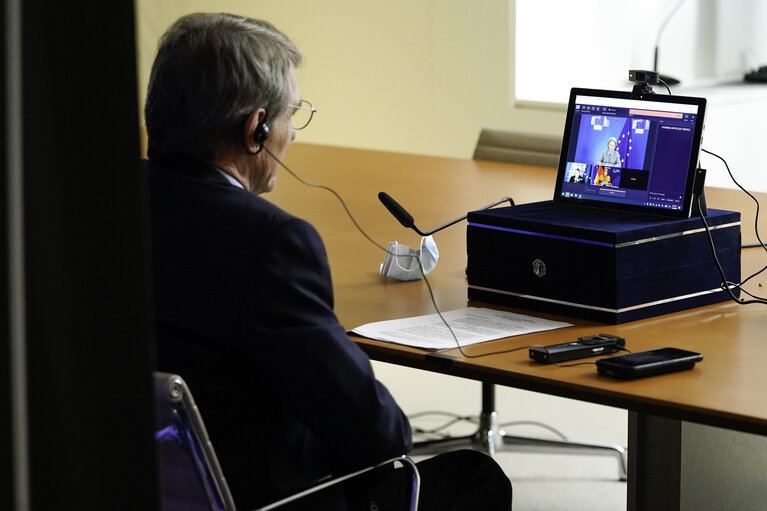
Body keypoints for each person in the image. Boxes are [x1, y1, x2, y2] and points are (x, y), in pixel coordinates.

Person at [144, 12, 512, 511]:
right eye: (293, 114)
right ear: (256, 128)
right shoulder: (270, 244)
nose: (293, 133)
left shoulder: (83, 212)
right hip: (261, 495)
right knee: (474, 477)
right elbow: (379, 437)